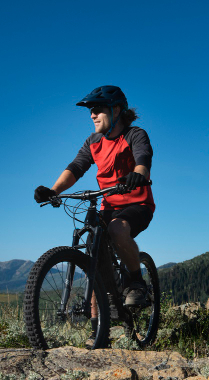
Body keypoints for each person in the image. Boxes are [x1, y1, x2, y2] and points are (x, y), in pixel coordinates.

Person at [33, 85, 154, 306]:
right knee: (93, 249)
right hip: (108, 206)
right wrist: (53, 191)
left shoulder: (134, 135)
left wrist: (138, 175)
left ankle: (137, 283)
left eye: (97, 109)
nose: (92, 115)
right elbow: (76, 168)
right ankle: (98, 328)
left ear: (116, 110)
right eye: (90, 110)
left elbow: (143, 159)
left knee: (117, 229)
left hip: (138, 204)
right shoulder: (93, 141)